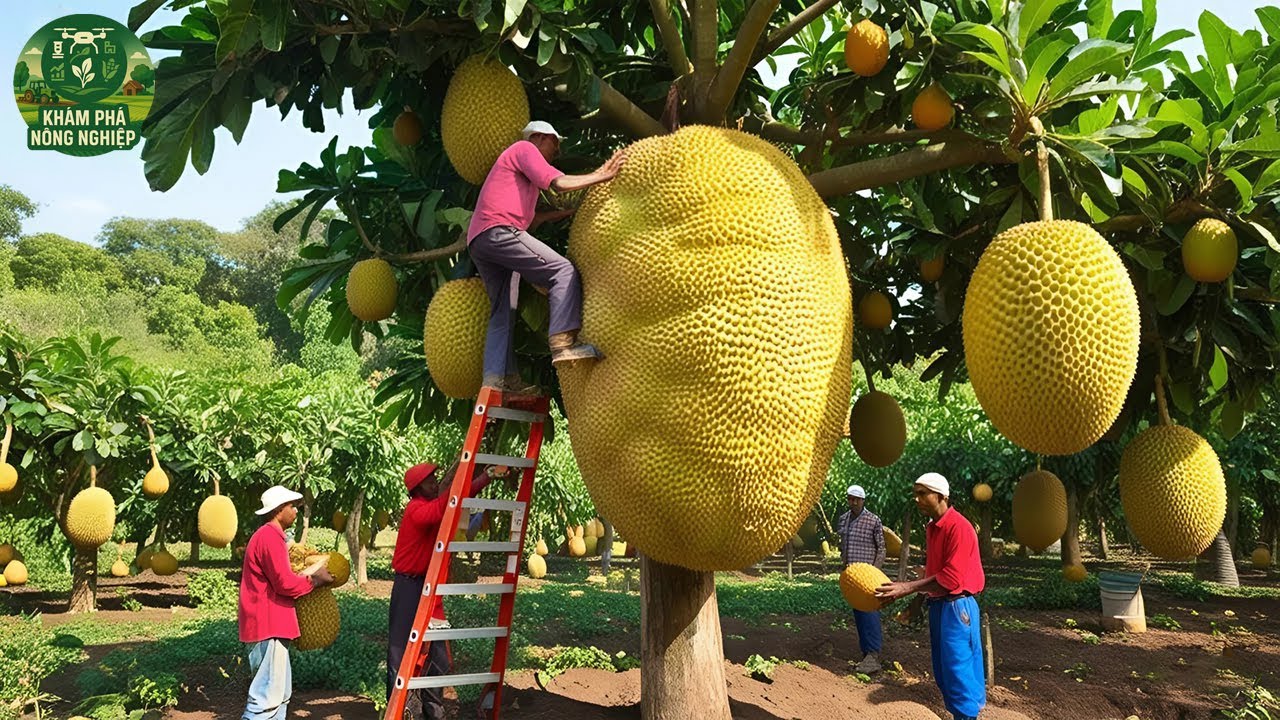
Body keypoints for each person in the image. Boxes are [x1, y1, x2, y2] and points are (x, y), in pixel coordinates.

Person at [466, 120, 627, 394]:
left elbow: (535, 220)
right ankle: (563, 343)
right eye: (555, 143)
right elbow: (559, 183)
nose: (557, 150)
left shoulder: (519, 177)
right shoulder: (524, 149)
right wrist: (603, 175)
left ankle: (498, 379)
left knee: (503, 311)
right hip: (499, 230)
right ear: (540, 137)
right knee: (562, 272)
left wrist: (563, 214)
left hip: (481, 240)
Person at [387, 460, 506, 719]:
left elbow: (453, 502)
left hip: (428, 589)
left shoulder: (431, 506)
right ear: (418, 489)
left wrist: (484, 477)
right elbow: (448, 503)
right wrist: (475, 476)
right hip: (409, 587)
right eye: (430, 481)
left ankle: (434, 711)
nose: (435, 484)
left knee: (439, 657)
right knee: (400, 650)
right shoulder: (417, 510)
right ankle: (397, 709)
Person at [876, 473, 986, 720]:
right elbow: (937, 574)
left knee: (958, 671)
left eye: (923, 493)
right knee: (944, 672)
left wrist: (908, 587)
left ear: (941, 496)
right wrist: (914, 600)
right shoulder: (933, 528)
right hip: (941, 605)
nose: (917, 499)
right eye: (915, 493)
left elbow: (951, 577)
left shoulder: (959, 527)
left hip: (958, 608)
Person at [238, 485, 334, 720]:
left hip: (272, 624)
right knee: (266, 699)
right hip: (267, 624)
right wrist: (315, 580)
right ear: (280, 509)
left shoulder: (271, 536)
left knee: (280, 696)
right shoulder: (269, 537)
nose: (295, 512)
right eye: (292, 507)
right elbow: (284, 583)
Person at [835, 484, 886, 673]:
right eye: (850, 498)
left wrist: (874, 573)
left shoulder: (873, 520)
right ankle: (866, 653)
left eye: (857, 499)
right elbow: (843, 545)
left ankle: (873, 655)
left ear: (863, 500)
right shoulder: (843, 520)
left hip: (867, 577)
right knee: (858, 613)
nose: (853, 502)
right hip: (851, 575)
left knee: (869, 613)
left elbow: (881, 548)